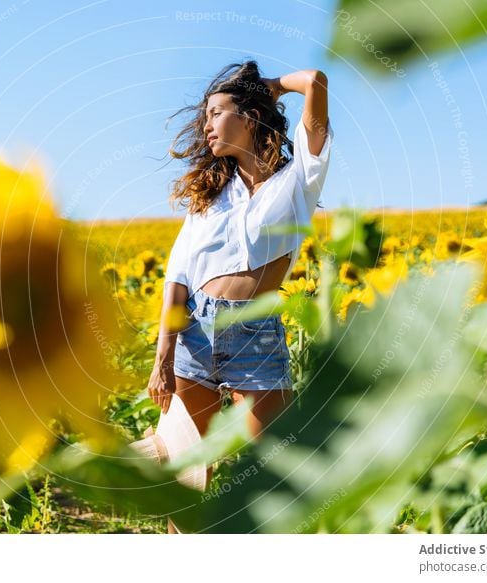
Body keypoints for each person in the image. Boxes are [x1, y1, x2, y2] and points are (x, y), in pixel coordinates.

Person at [148, 60, 332, 528]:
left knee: (276, 470)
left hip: (256, 333)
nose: (207, 125)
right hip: (195, 331)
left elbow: (313, 83)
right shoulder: (211, 193)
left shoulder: (298, 181)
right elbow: (179, 272)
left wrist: (271, 87)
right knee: (188, 473)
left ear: (249, 117)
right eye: (205, 116)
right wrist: (163, 350)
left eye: (217, 112)